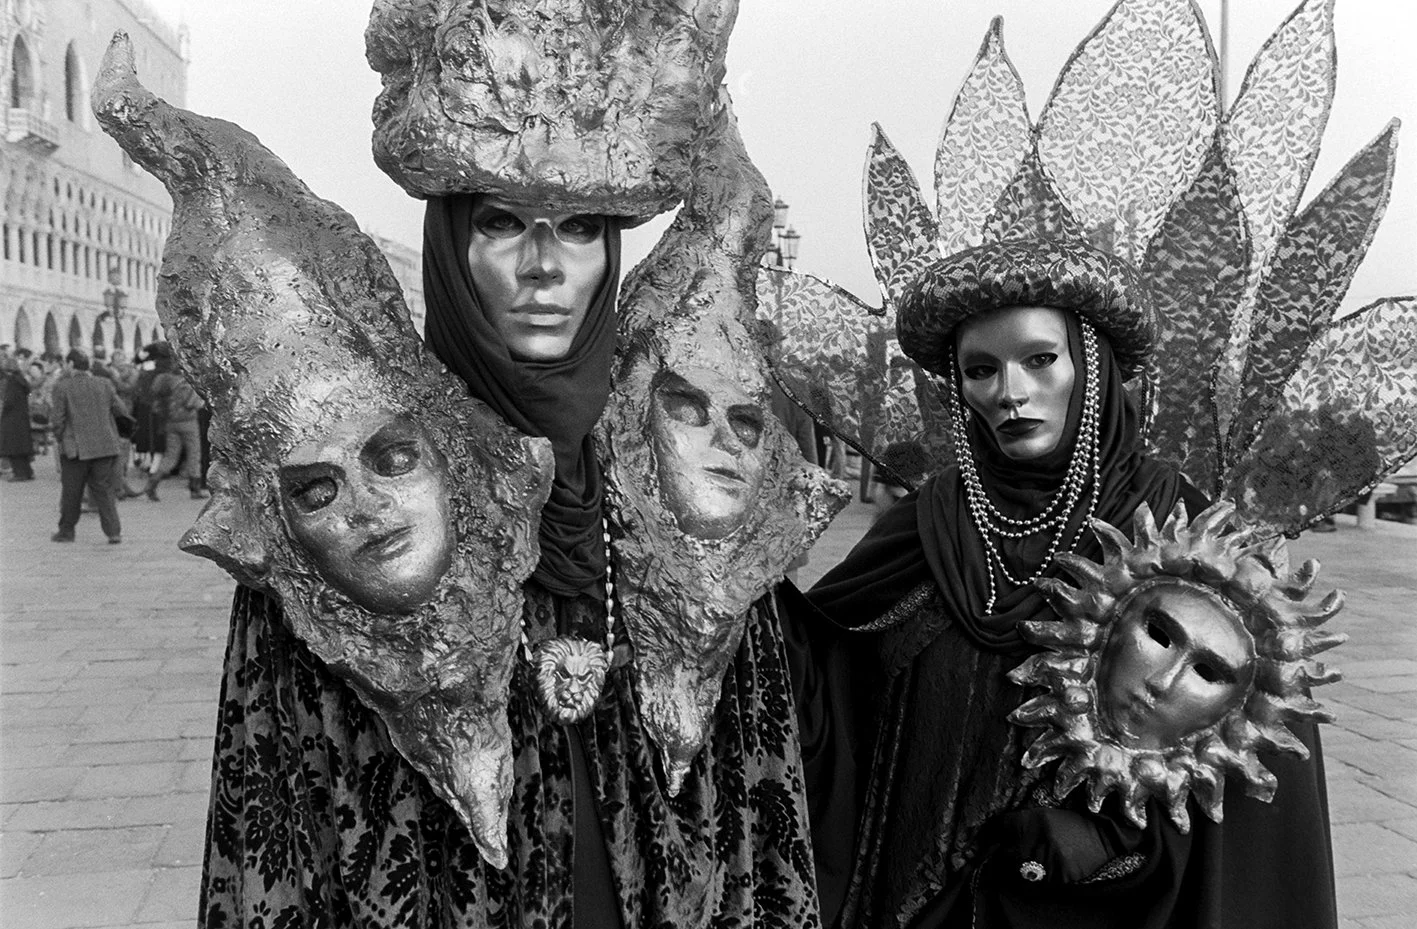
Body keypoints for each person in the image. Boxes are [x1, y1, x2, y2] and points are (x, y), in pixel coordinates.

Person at [796, 239, 1338, 928]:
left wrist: (1112, 843)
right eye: (980, 369)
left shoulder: (1180, 534)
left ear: (1091, 368)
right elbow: (814, 681)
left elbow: (1249, 766)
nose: (1008, 393)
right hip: (910, 899)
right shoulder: (926, 524)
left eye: (1038, 359)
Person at [48, 348, 129, 544]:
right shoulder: (104, 384)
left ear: (70, 365)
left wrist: (60, 438)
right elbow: (121, 410)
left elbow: (58, 419)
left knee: (72, 491)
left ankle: (66, 531)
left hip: (75, 448)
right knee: (103, 489)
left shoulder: (62, 386)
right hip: (105, 446)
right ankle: (113, 532)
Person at [141, 366, 205, 500]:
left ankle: (152, 484)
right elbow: (193, 403)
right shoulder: (187, 383)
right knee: (194, 454)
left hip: (170, 423)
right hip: (188, 422)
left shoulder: (166, 382)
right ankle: (195, 489)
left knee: (170, 456)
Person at [0, 353, 36, 480]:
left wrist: (2, 409)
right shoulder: (21, 380)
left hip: (11, 418)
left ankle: (19, 473)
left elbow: (9, 401)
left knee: (13, 448)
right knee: (22, 447)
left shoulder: (11, 381)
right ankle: (28, 472)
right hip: (21, 417)